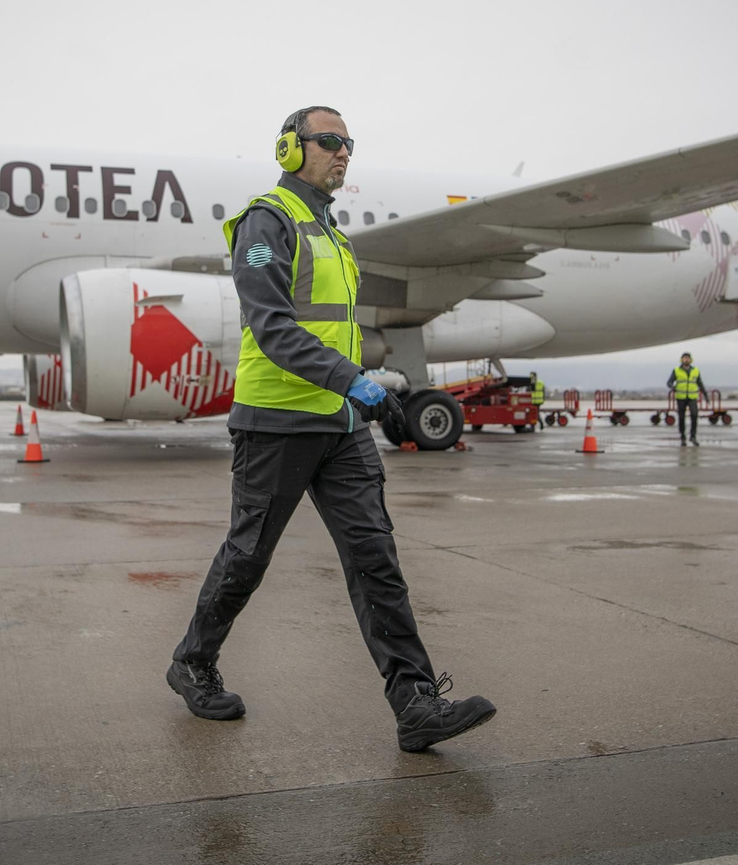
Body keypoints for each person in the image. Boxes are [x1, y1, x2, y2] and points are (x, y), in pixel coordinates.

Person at [168, 106, 496, 752]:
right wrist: (357, 380)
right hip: (277, 424)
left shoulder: (336, 237)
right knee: (247, 557)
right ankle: (192, 663)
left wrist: (360, 393)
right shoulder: (268, 220)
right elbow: (273, 326)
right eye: (329, 141)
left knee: (376, 560)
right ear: (291, 148)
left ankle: (415, 703)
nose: (342, 152)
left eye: (349, 143)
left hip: (339, 425)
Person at [667, 352, 705, 446]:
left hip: (692, 397)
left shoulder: (695, 370)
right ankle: (683, 437)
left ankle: (693, 436)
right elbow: (669, 382)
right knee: (681, 418)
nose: (686, 360)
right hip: (681, 397)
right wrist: (672, 386)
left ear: (690, 360)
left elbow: (700, 383)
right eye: (684, 358)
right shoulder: (676, 370)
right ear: (681, 359)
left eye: (688, 358)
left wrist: (706, 395)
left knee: (694, 415)